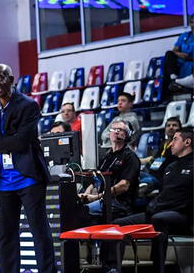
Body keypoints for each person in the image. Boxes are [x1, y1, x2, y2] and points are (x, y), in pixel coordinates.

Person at [0, 64, 56, 273]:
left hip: (28, 176)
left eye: (1, 78)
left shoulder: (28, 105)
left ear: (12, 80)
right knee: (7, 235)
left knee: (39, 232)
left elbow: (22, 142)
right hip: (3, 180)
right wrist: (1, 140)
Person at [112, 128, 193, 273]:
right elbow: (163, 193)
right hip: (159, 211)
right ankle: (114, 267)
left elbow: (184, 199)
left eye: (175, 139)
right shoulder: (170, 167)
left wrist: (158, 207)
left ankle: (158, 269)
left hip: (182, 215)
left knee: (159, 219)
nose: (171, 143)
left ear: (187, 142)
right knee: (117, 224)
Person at [80, 120, 140, 220]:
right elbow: (95, 181)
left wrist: (96, 197)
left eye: (120, 129)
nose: (116, 132)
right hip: (102, 200)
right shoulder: (106, 156)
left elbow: (123, 186)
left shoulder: (130, 157)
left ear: (127, 135)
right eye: (113, 129)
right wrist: (86, 195)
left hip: (119, 203)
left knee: (83, 211)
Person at [163, 16, 193, 98]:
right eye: (192, 22)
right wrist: (179, 54)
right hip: (182, 63)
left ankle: (178, 83)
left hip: (192, 64)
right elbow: (174, 50)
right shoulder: (184, 36)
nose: (193, 25)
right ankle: (173, 79)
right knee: (169, 54)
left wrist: (189, 58)